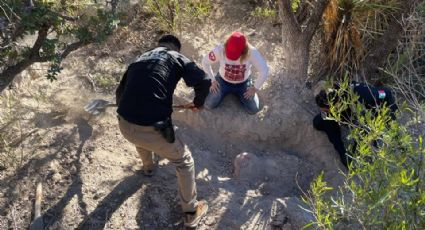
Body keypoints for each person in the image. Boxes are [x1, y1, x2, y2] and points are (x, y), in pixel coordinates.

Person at [115, 34, 211, 228]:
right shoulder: (174, 56)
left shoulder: (140, 58)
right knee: (184, 162)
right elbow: (205, 80)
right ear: (175, 48)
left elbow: (120, 93)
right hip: (152, 129)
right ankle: (191, 212)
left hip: (124, 125)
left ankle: (148, 167)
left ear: (157, 45)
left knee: (139, 134)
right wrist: (198, 103)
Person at [313, 81, 398, 168]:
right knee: (319, 123)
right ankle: (344, 154)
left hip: (364, 113)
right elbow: (328, 118)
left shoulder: (364, 94)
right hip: (345, 112)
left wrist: (389, 121)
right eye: (324, 110)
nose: (325, 112)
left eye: (327, 110)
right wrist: (342, 152)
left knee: (360, 145)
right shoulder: (327, 104)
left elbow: (386, 93)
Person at [202, 31, 269, 114]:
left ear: (244, 51)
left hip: (243, 84)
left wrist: (255, 88)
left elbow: (264, 70)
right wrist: (213, 80)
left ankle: (239, 95)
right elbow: (205, 62)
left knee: (254, 109)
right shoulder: (220, 49)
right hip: (222, 82)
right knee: (208, 105)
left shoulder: (252, 52)